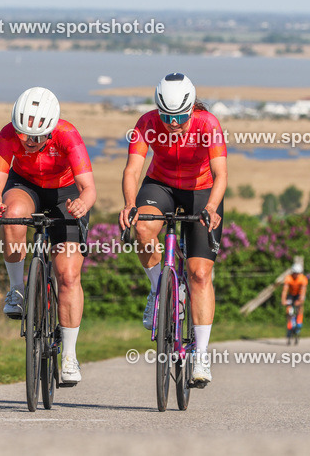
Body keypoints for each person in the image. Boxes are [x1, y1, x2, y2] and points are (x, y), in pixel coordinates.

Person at [119, 73, 228, 387]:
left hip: (202, 191)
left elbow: (221, 174)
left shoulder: (208, 125)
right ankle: (158, 289)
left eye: (180, 116)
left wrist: (211, 207)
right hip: (161, 186)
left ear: (192, 109)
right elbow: (133, 169)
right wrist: (129, 203)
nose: (173, 123)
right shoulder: (147, 123)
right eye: (166, 116)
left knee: (199, 274)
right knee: (142, 228)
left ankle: (202, 355)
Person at [0, 87, 96, 384]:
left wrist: (83, 203)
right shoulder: (9, 135)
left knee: (68, 274)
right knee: (12, 215)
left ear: (51, 129)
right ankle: (17, 289)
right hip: (27, 185)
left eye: (36, 137)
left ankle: (70, 357)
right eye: (24, 135)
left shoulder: (68, 134)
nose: (29, 142)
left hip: (66, 193)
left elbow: (89, 187)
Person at [281, 263, 308, 333]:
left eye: (298, 273)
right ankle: (290, 322)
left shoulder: (303, 279)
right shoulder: (288, 278)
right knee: (288, 307)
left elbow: (303, 291)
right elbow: (285, 290)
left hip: (299, 294)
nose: (296, 275)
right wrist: (283, 300)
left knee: (300, 306)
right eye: (295, 273)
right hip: (291, 294)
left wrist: (300, 301)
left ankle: (299, 321)